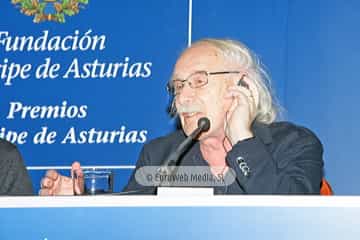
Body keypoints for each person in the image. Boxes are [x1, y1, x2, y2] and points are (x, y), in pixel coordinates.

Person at [40, 38, 324, 195]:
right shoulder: (160, 155)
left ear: (241, 85)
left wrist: (242, 141)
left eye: (199, 81)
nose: (183, 98)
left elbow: (291, 217)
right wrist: (81, 204)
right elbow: (129, 223)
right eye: (177, 86)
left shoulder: (293, 144)